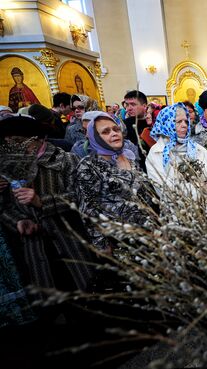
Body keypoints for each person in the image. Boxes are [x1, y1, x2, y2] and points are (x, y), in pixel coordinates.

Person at [0, 115, 96, 299]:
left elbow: (84, 197)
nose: (14, 148)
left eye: (19, 142)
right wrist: (19, 221)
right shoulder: (7, 167)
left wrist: (41, 201)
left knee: (87, 295)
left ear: (38, 139)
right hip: (35, 248)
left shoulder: (67, 160)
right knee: (52, 302)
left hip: (72, 242)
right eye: (8, 143)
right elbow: (3, 207)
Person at [75, 112, 151, 253]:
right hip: (117, 239)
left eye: (116, 129)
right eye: (105, 132)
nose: (114, 133)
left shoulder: (130, 159)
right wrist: (101, 244)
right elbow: (88, 208)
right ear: (95, 137)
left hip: (145, 234)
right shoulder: (89, 165)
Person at [146, 103, 207, 198]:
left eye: (186, 121)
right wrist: (200, 191)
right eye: (178, 121)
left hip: (206, 209)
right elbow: (165, 189)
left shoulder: (196, 148)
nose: (184, 125)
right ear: (166, 123)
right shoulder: (157, 153)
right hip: (176, 211)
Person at [71, 111, 139, 159]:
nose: (87, 135)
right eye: (84, 130)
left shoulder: (128, 147)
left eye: (116, 129)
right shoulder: (80, 151)